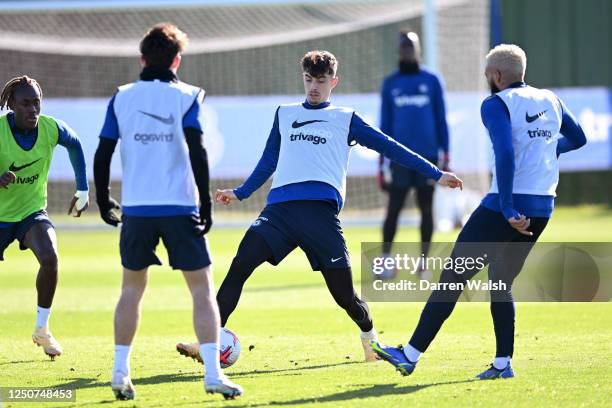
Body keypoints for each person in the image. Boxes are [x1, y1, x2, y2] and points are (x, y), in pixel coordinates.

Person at [175, 50, 462, 365]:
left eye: (321, 80)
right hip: (279, 212)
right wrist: (241, 193)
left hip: (320, 217)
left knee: (345, 297)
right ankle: (209, 343)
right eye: (309, 79)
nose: (313, 86)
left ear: (333, 82)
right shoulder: (284, 113)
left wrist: (436, 174)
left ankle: (370, 339)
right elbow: (269, 159)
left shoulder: (346, 118)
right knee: (240, 265)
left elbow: (390, 146)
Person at [371, 44, 587, 379]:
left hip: (506, 207)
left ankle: (410, 354)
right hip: (544, 206)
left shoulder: (496, 103)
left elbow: (504, 152)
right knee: (501, 283)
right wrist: (547, 151)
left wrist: (506, 206)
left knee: (452, 278)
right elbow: (579, 138)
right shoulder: (551, 100)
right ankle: (503, 364)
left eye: (489, 76)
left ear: (496, 76)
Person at [93, 23, 242, 400]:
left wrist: (103, 199)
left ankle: (119, 371)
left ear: (142, 59)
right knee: (202, 291)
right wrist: (205, 203)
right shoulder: (188, 96)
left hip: (138, 210)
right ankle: (212, 374)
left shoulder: (121, 97)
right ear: (177, 60)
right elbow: (197, 149)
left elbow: (103, 151)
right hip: (179, 207)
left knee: (131, 289)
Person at [0, 75, 89, 360]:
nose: (32, 110)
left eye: (36, 103)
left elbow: (75, 144)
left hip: (30, 213)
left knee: (50, 257)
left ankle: (42, 328)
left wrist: (83, 189)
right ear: (11, 104)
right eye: (25, 104)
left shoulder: (51, 128)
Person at [378, 31, 450, 279]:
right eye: (404, 47)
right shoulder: (391, 83)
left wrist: (446, 156)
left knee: (426, 209)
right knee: (394, 209)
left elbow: (441, 119)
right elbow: (384, 126)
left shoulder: (432, 80)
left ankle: (424, 264)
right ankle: (385, 261)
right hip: (398, 159)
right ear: (399, 51)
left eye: (412, 47)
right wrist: (381, 164)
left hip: (428, 159)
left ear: (418, 50)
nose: (408, 51)